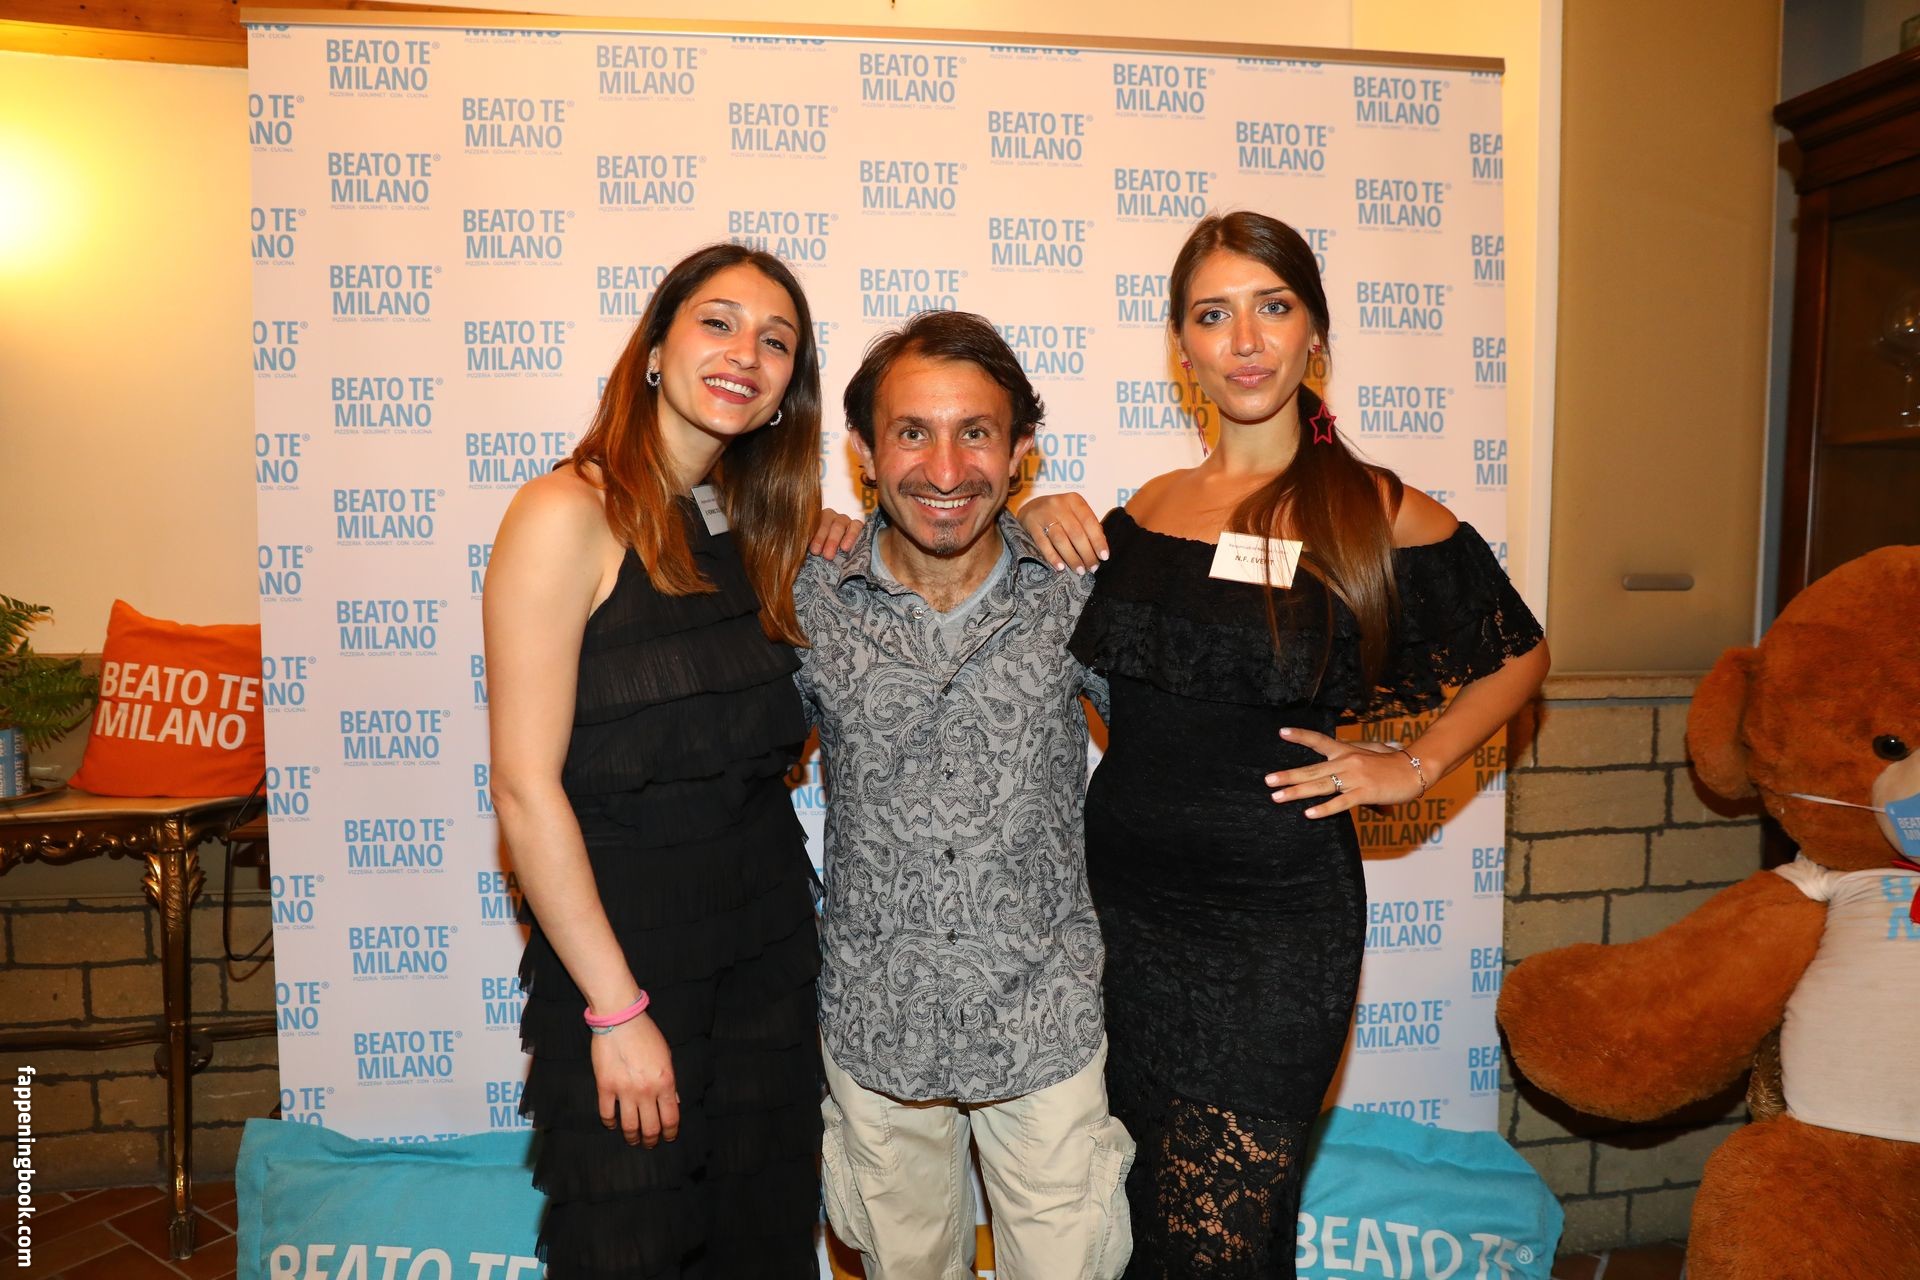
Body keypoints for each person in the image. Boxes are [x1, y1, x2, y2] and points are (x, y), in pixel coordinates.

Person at [1019, 211, 1550, 1278]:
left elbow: (1518, 653)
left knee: (1221, 1237)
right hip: (1122, 912)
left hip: (1274, 925)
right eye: (1213, 315)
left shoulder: (1371, 507)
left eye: (1273, 306)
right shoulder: (1147, 509)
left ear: (1315, 332)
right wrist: (1032, 512)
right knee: (1134, 1216)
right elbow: (1113, 680)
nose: (1247, 340)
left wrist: (1411, 765)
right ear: (1183, 347)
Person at [483, 243, 832, 1279]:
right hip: (629, 952)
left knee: (761, 1240)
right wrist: (616, 1008)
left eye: (776, 341)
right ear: (653, 349)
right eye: (718, 322)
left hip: (767, 952)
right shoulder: (564, 513)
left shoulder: (755, 526)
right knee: (630, 1245)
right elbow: (523, 788)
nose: (746, 354)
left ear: (788, 390)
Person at [794, 310, 1136, 1280]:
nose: (945, 469)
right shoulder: (806, 594)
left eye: (975, 432)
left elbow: (1179, 758)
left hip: (1045, 1020)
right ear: (864, 453)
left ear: (1021, 450)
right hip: (876, 1025)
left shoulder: (1078, 588)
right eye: (912, 432)